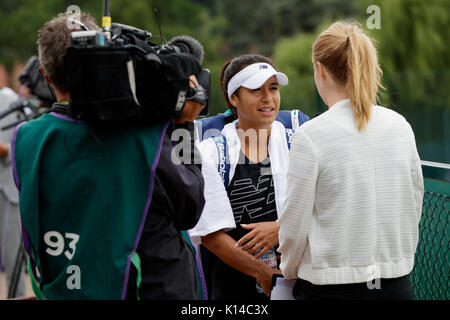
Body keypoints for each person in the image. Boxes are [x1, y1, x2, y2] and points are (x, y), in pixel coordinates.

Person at [11, 12, 206, 299]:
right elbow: (189, 207)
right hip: (145, 288)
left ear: (44, 72)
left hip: (66, 288)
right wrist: (183, 128)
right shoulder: (144, 136)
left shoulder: (25, 138)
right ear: (102, 63)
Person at [278, 21, 424, 300]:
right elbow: (414, 200)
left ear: (319, 70)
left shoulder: (310, 136)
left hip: (327, 288)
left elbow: (295, 226)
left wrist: (289, 270)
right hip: (397, 286)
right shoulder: (400, 125)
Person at [189, 54, 309, 299]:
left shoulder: (298, 140)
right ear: (234, 98)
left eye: (273, 88)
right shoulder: (211, 152)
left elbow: (323, 205)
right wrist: (262, 274)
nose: (268, 98)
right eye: (256, 90)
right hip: (231, 289)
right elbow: (211, 235)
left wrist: (281, 229)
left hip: (296, 284)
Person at [0, 86, 26, 297]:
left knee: (12, 259)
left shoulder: (10, 100)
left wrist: (4, 149)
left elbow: (22, 144)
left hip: (7, 191)